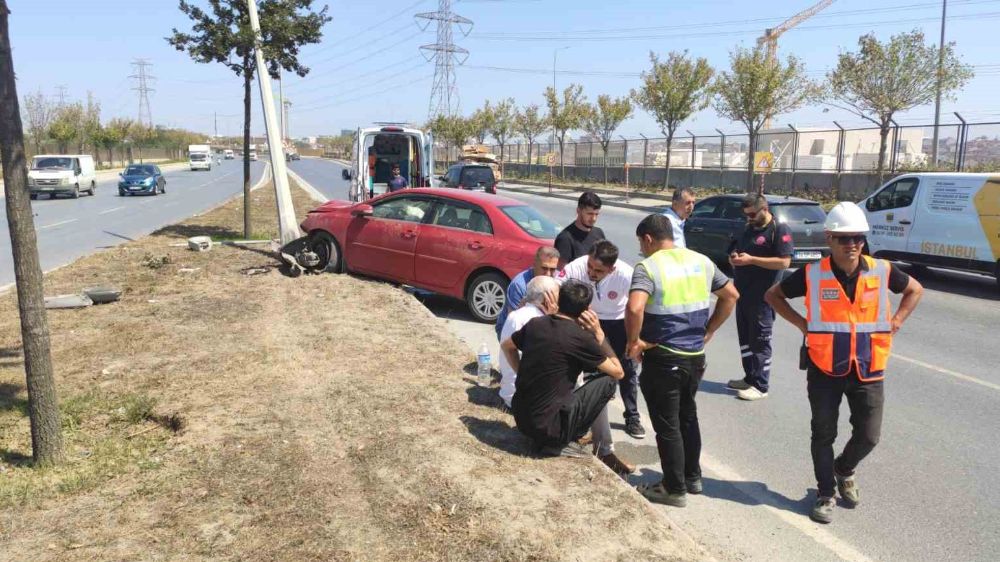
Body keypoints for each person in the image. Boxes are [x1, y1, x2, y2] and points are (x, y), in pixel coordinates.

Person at [765, 202, 922, 525]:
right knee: (823, 433)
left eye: (857, 238)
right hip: (825, 367)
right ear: (830, 239)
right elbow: (773, 296)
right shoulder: (812, 274)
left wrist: (897, 321)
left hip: (868, 365)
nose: (852, 244)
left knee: (869, 435)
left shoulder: (882, 270)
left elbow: (915, 290)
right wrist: (801, 324)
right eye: (844, 238)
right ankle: (825, 493)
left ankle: (843, 469)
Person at [626, 214, 739, 508]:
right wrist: (710, 329)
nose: (641, 249)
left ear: (648, 239)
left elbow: (635, 307)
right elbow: (731, 295)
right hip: (694, 357)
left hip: (663, 357)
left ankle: (673, 488)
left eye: (641, 243)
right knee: (688, 416)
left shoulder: (648, 267)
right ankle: (692, 476)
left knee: (668, 424)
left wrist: (633, 342)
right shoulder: (701, 261)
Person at [501, 280, 631, 469]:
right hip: (551, 430)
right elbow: (618, 372)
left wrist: (521, 373)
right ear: (587, 309)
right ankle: (566, 439)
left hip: (522, 419)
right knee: (607, 381)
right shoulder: (580, 337)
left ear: (559, 301)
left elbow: (507, 347)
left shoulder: (536, 324)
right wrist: (599, 334)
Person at [559, 240, 646, 439]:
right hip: (587, 320)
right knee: (586, 368)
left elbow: (639, 307)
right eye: (590, 265)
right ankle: (582, 418)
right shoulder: (577, 266)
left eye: (598, 270)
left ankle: (632, 416)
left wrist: (635, 339)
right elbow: (556, 288)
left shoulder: (626, 274)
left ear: (611, 269)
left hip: (618, 322)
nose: (591, 272)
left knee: (627, 370)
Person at [726, 194, 794, 401]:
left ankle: (761, 385)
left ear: (764, 209)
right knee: (746, 341)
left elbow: (784, 263)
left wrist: (752, 260)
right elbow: (734, 249)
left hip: (763, 298)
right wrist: (734, 257)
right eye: (746, 215)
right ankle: (750, 378)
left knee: (761, 342)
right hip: (742, 295)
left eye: (753, 214)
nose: (749, 218)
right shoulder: (747, 228)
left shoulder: (779, 230)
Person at [497, 276, 560, 410]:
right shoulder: (537, 321)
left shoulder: (518, 314)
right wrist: (553, 320)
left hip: (513, 391)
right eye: (557, 296)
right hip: (523, 397)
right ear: (548, 298)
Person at [494, 246, 560, 339]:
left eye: (552, 269)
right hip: (510, 330)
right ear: (534, 264)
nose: (548, 274)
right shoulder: (519, 285)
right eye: (544, 268)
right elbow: (513, 322)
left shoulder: (558, 281)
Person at [555, 192, 606, 267]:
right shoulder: (565, 238)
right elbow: (561, 272)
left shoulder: (599, 233)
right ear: (578, 211)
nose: (594, 219)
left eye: (596, 214)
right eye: (590, 214)